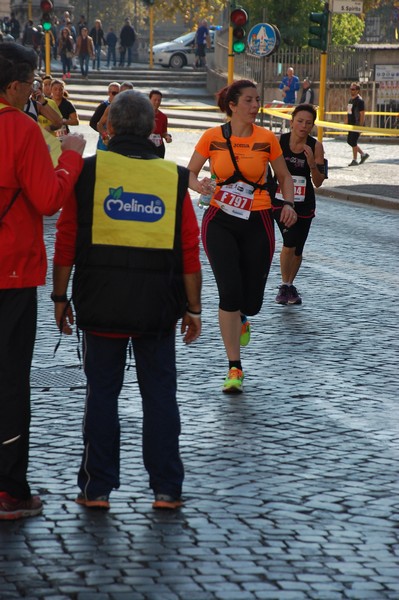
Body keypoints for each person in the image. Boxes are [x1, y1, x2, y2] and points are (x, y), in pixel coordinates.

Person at [52, 90, 202, 511]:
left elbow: (66, 241)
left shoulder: (86, 173)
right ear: (154, 129)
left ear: (109, 128)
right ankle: (166, 488)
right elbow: (189, 250)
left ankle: (96, 487)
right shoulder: (172, 178)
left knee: (101, 395)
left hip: (100, 305)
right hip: (158, 309)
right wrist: (194, 308)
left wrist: (60, 297)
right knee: (160, 397)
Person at [0, 42, 86, 520]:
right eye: (31, 83)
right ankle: (10, 490)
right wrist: (70, 155)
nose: (35, 91)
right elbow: (49, 197)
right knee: (10, 381)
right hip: (10, 272)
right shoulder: (20, 129)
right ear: (13, 86)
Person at [187, 79, 296, 394]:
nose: (255, 105)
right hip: (219, 218)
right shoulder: (212, 137)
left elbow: (285, 177)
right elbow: (190, 173)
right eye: (248, 100)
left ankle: (244, 316)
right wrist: (200, 186)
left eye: (257, 99)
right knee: (229, 291)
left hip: (258, 218)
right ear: (232, 105)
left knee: (252, 301)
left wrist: (287, 203)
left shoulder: (267, 139)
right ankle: (234, 367)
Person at [273, 104, 326, 306]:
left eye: (308, 123)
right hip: (280, 200)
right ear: (292, 121)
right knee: (290, 240)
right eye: (300, 121)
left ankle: (289, 285)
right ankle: (285, 285)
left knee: (298, 249)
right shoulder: (279, 141)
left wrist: (312, 163)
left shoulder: (315, 146)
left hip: (305, 203)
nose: (303, 126)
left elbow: (319, 182)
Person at [96, 81, 133, 147]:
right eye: (123, 93)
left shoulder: (137, 110)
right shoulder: (111, 108)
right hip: (113, 145)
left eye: (129, 93)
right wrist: (105, 136)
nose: (126, 96)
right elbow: (99, 124)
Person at [89, 81, 120, 149]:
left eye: (119, 93)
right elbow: (93, 123)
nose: (116, 96)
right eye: (114, 93)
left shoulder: (121, 106)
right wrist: (104, 134)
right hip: (104, 142)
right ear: (109, 93)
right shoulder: (103, 106)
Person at [345, 82, 369, 166]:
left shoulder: (360, 101)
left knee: (353, 141)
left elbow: (362, 114)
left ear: (357, 90)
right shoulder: (350, 100)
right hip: (351, 125)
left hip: (357, 124)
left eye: (353, 89)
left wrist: (360, 126)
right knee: (349, 141)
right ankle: (363, 155)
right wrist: (346, 121)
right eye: (350, 89)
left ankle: (354, 160)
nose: (351, 90)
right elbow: (348, 111)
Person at [149, 89, 172, 158]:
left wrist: (167, 137)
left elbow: (163, 133)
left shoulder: (163, 117)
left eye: (159, 100)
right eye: (155, 100)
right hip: (146, 147)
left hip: (159, 148)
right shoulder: (143, 114)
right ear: (149, 100)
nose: (157, 102)